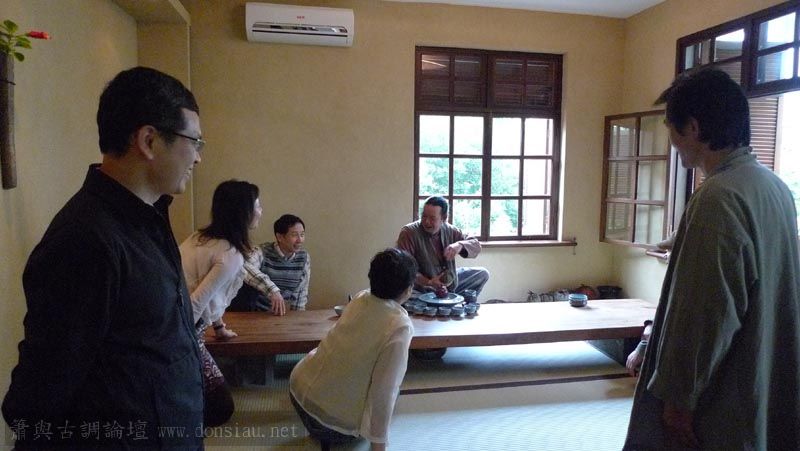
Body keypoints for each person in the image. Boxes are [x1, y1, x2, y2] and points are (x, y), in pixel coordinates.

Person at [2, 67, 204, 448]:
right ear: (148, 140)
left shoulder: (147, 217)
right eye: (194, 141)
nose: (197, 158)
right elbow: (40, 395)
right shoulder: (86, 239)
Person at [623, 68, 800, 450]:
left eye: (671, 128)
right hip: (764, 371)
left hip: (725, 387)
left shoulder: (718, 197)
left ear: (693, 127)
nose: (672, 141)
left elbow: (707, 312)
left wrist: (679, 398)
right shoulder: (774, 188)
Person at [289, 248, 416, 451]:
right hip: (329, 425)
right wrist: (378, 446)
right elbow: (384, 392)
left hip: (297, 389)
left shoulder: (361, 297)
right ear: (408, 289)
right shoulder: (399, 326)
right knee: (394, 390)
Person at [179, 179, 263, 427]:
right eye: (257, 206)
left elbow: (207, 293)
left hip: (176, 322)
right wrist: (178, 347)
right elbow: (196, 302)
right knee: (221, 407)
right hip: (182, 331)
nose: (260, 211)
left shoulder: (199, 237)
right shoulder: (230, 255)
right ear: (243, 212)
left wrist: (219, 327)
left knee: (212, 398)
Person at [396, 196, 489, 297]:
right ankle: (446, 302)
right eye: (424, 216)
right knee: (406, 295)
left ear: (444, 218)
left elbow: (476, 245)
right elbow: (404, 270)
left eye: (432, 218)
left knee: (482, 274)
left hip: (450, 285)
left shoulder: (451, 230)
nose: (426, 222)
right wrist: (429, 282)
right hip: (422, 289)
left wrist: (460, 245)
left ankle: (453, 302)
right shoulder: (409, 232)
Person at [231, 214, 309, 314]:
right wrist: (272, 290)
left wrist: (298, 317)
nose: (300, 240)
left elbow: (300, 294)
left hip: (277, 315)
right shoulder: (261, 251)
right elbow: (244, 266)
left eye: (302, 235)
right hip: (253, 313)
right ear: (279, 237)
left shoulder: (303, 258)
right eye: (294, 235)